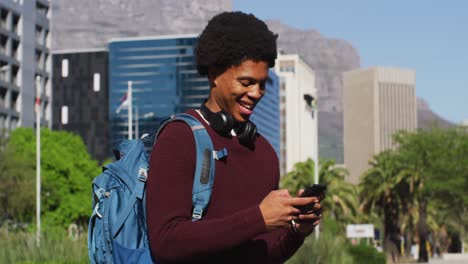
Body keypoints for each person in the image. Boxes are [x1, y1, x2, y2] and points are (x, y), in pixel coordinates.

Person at [146, 11, 322, 264]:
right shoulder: (178, 138)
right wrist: (259, 218)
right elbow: (166, 243)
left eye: (262, 84)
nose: (256, 93)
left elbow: (265, 254)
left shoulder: (264, 154)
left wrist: (296, 231)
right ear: (214, 73)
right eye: (246, 82)